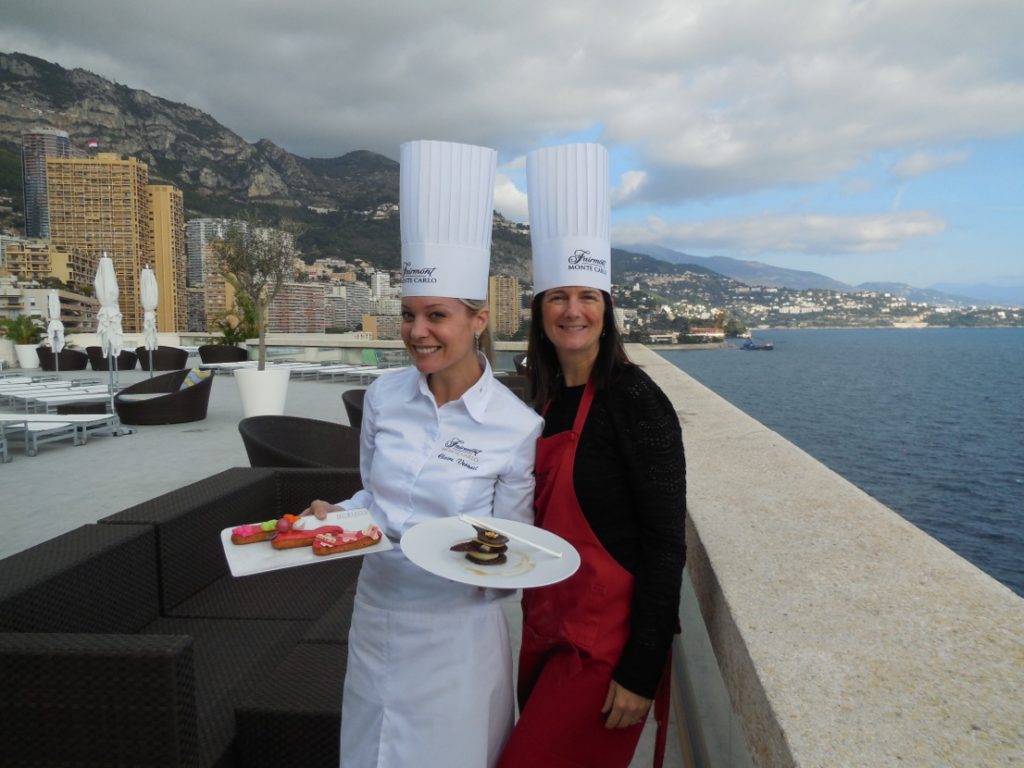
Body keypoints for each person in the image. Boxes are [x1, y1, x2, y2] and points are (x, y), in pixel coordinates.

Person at [307, 139, 544, 767]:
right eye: (409, 314)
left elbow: (511, 546)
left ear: (478, 319)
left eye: (436, 315)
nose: (417, 332)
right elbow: (373, 498)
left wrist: (467, 562)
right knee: (370, 750)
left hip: (458, 632)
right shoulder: (384, 397)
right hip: (379, 610)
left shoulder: (516, 427)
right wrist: (337, 516)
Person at [498, 143, 686, 768]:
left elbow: (665, 542)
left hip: (607, 650)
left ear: (608, 312)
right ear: (539, 312)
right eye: (557, 297)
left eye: (588, 297)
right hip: (546, 626)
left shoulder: (636, 400)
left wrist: (641, 669)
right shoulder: (544, 397)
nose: (572, 310)